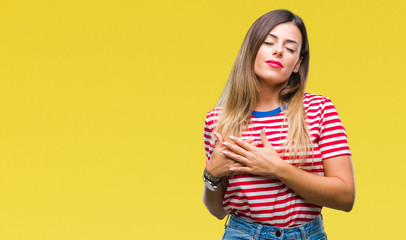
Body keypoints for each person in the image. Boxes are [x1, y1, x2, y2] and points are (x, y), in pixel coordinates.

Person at [202, 9, 356, 240]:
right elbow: (217, 210)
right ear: (251, 49)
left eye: (290, 48)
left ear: (297, 64)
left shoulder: (319, 110)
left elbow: (345, 197)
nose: (278, 51)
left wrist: (277, 168)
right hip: (242, 234)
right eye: (269, 42)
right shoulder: (218, 120)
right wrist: (211, 175)